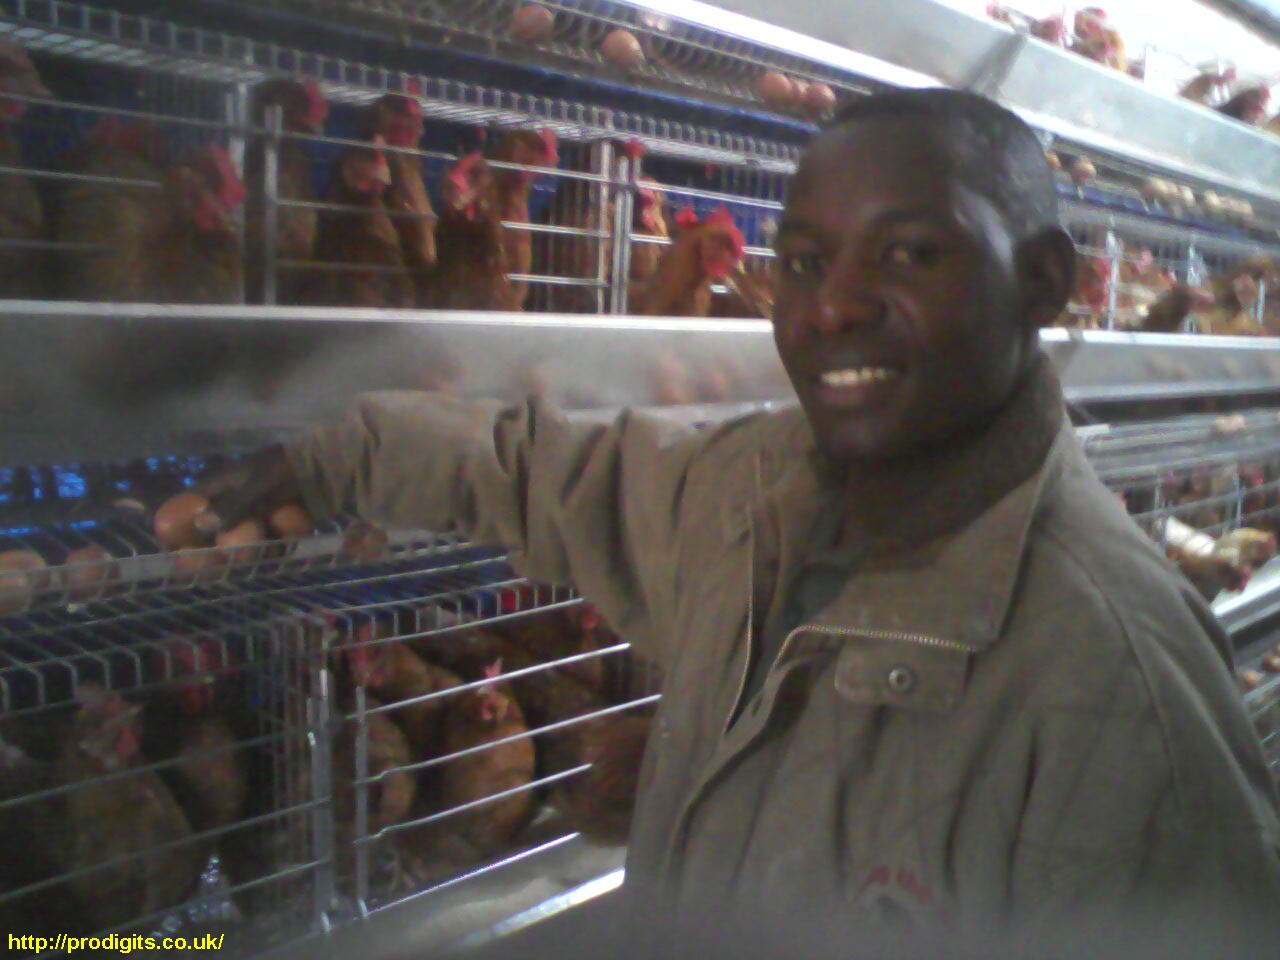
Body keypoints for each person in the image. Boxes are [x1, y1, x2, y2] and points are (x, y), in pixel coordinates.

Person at [193, 89, 1280, 957]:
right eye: (803, 263)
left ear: (1042, 282)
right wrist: (325, 460)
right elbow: (539, 468)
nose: (833, 305)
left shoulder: (1122, 703)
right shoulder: (751, 492)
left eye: (910, 252)